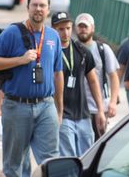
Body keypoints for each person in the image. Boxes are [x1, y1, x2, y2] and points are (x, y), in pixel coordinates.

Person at [0, 0, 64, 177]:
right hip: (16, 105)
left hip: (46, 105)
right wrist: (20, 60)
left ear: (48, 10)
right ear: (27, 8)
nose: (38, 9)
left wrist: (59, 109)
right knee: (14, 164)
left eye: (42, 5)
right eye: (34, 5)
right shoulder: (12, 33)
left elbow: (58, 73)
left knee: (51, 161)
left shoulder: (53, 36)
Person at [51, 11, 107, 156]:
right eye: (61, 29)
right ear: (53, 29)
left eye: (68, 28)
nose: (65, 33)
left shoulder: (82, 51)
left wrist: (100, 110)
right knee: (69, 157)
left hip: (83, 114)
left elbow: (93, 81)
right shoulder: (49, 52)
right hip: (63, 115)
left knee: (87, 156)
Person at [75, 13, 120, 141]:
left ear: (92, 28)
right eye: (80, 26)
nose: (83, 29)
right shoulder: (72, 49)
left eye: (86, 26)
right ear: (75, 28)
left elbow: (114, 76)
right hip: (77, 108)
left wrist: (112, 102)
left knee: (98, 143)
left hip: (99, 108)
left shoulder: (103, 49)